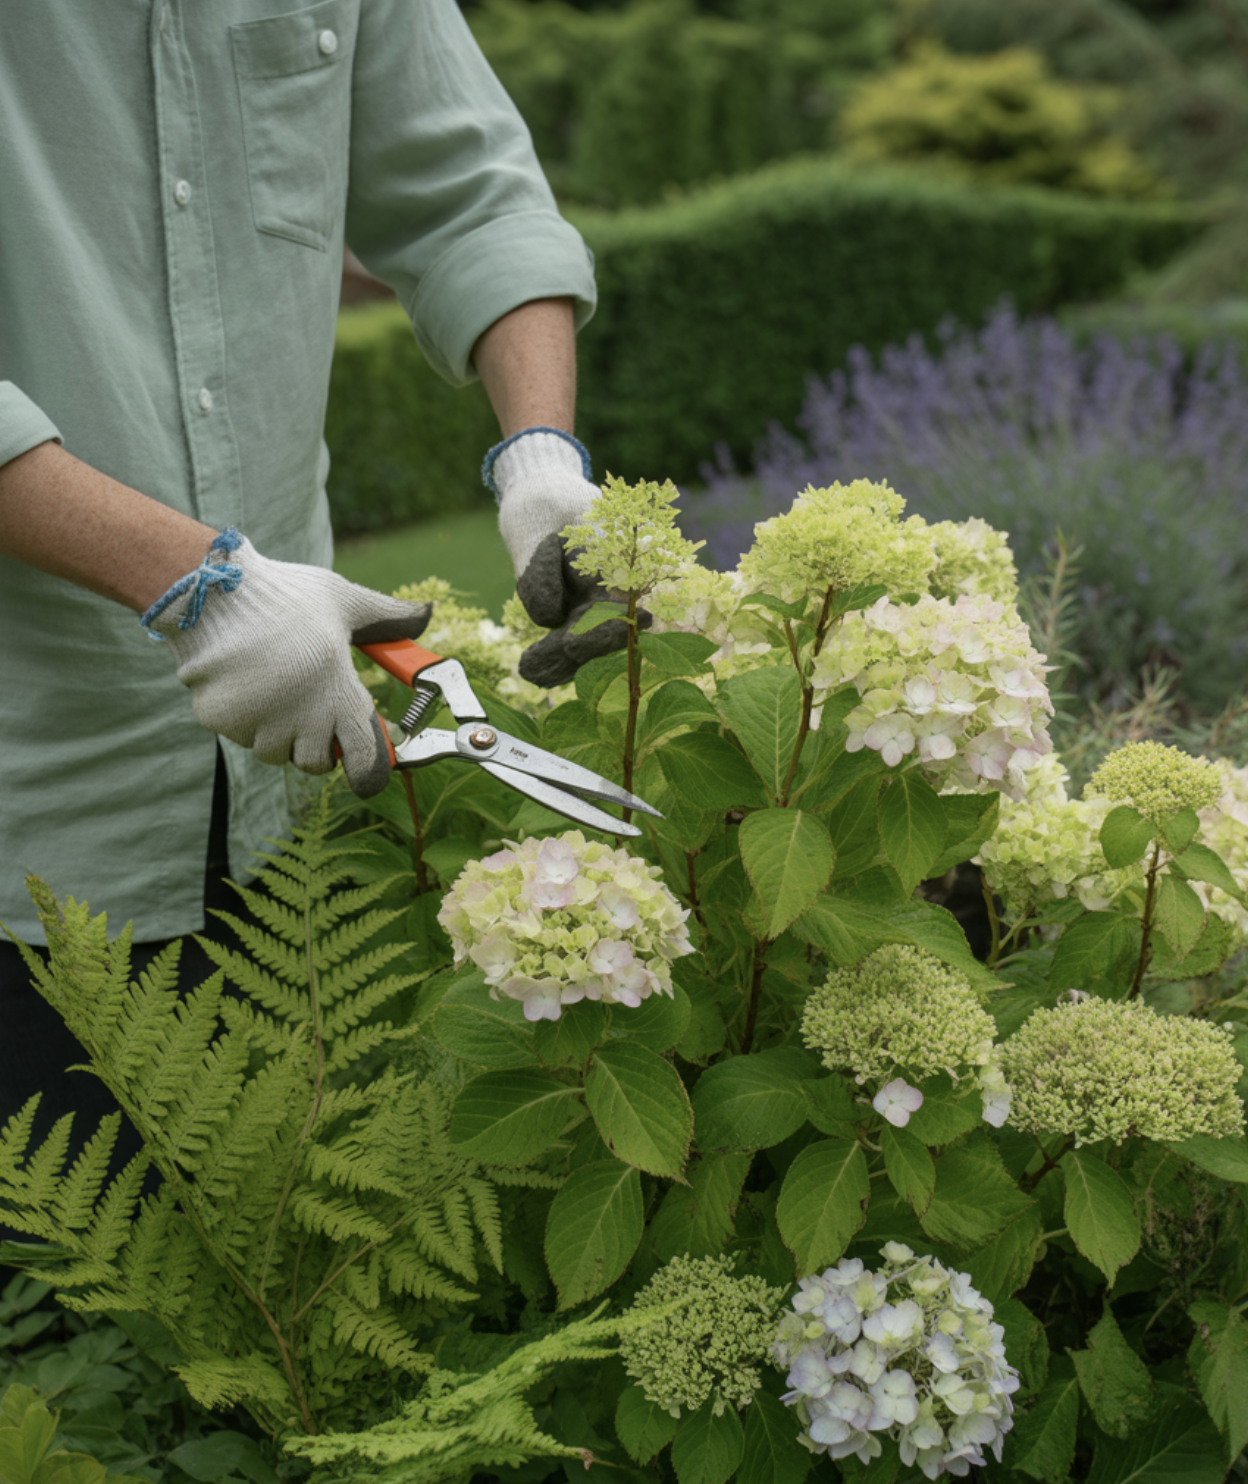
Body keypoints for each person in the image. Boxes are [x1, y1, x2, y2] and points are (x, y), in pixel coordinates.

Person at [0, 0, 623, 1214]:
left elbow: (470, 195)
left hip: (291, 804)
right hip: (29, 820)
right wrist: (191, 582)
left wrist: (540, 448)